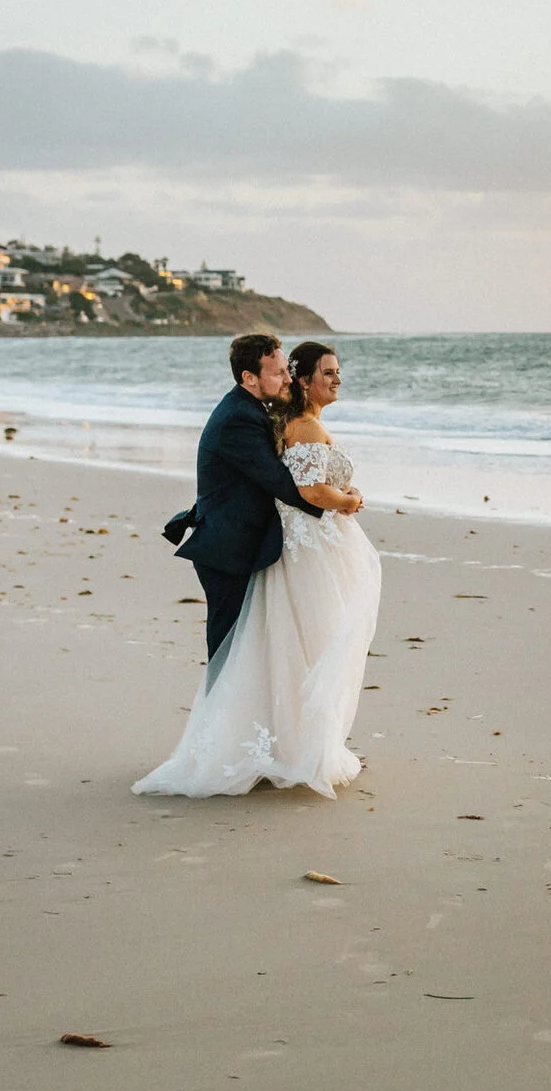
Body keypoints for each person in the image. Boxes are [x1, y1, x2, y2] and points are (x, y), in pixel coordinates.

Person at [138, 338, 382, 798]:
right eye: (278, 372)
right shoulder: (239, 420)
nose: (286, 379)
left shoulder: (260, 413)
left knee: (255, 650)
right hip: (228, 548)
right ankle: (218, 752)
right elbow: (289, 486)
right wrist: (345, 501)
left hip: (250, 541)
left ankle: (251, 745)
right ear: (250, 378)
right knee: (233, 654)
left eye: (287, 371)